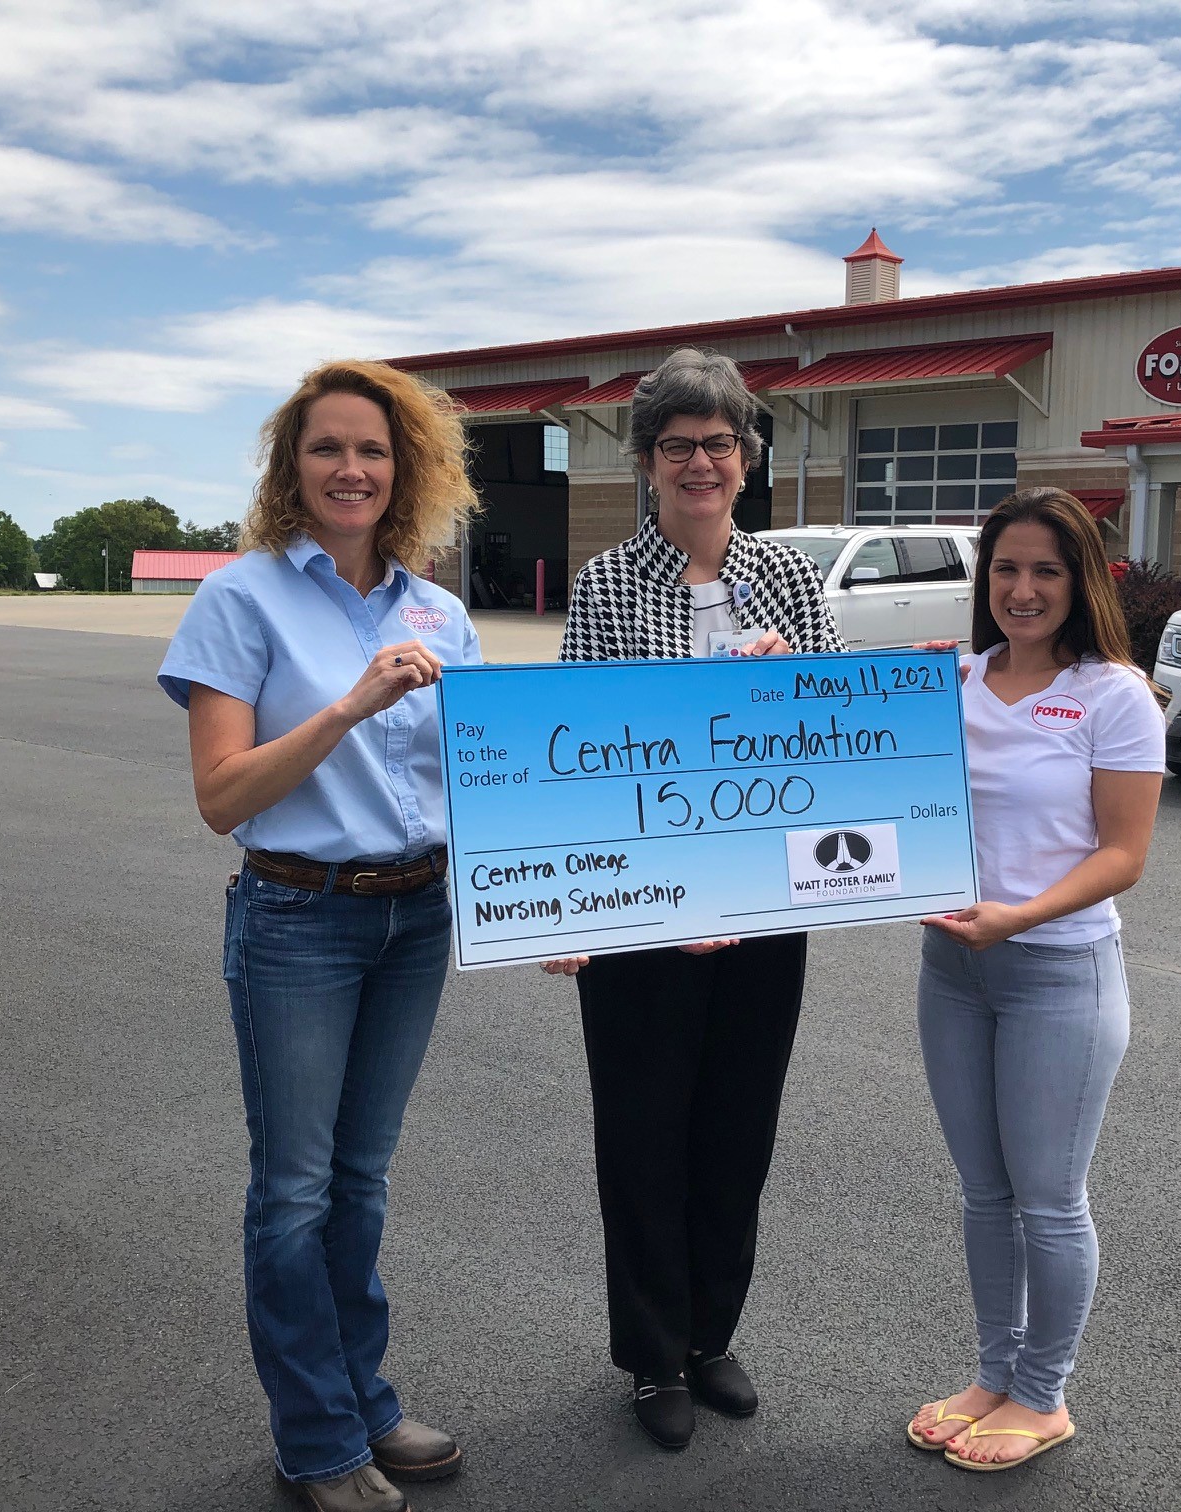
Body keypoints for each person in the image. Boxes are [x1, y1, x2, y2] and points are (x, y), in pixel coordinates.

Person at [157, 359, 479, 1512]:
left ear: (407, 472)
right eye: (328, 447)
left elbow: (488, 784)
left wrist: (572, 897)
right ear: (292, 468)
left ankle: (364, 1396)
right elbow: (222, 796)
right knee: (293, 1188)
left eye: (374, 450)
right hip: (298, 915)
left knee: (362, 1179)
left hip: (417, 915)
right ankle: (316, 1436)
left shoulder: (440, 612)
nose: (352, 468)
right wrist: (350, 704)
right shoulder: (240, 599)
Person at [542, 347, 844, 1449]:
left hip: (763, 909)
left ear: (749, 458)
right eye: (679, 445)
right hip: (643, 911)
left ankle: (713, 1336)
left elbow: (834, 748)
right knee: (641, 1135)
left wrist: (785, 686)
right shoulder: (606, 584)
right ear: (649, 463)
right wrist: (567, 908)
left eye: (721, 442)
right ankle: (650, 1356)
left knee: (736, 1132)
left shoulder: (794, 583)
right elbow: (565, 760)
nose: (702, 461)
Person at [904, 487, 1164, 1473]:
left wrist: (1018, 915)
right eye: (1005, 569)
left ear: (1081, 581)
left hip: (1060, 972)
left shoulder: (1114, 695)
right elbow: (844, 742)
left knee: (1049, 1198)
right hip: (952, 969)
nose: (1021, 589)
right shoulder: (955, 680)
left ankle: (1044, 1395)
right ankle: (994, 1374)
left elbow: (1123, 853)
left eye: (1045, 571)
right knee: (983, 1192)